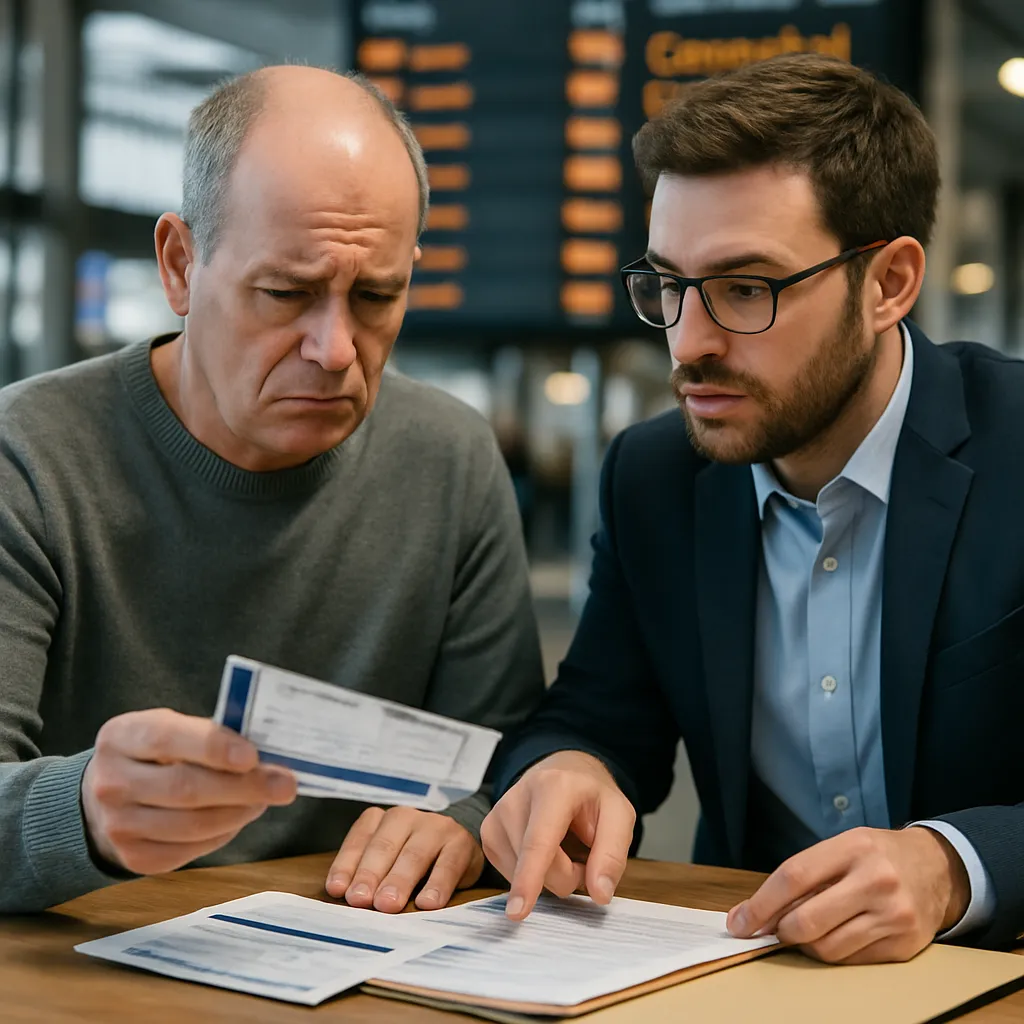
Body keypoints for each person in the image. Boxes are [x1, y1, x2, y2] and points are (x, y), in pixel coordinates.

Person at [483, 53, 1024, 961]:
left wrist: (956, 866)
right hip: (748, 974)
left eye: (745, 290)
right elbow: (595, 717)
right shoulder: (656, 478)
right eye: (667, 284)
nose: (688, 344)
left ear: (888, 282)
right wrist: (563, 769)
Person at [0, 65, 544, 914]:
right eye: (285, 293)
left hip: (360, 957)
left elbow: (507, 758)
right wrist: (82, 813)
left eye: (377, 295)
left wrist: (470, 819)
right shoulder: (27, 459)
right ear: (180, 266)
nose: (334, 348)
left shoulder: (450, 458)